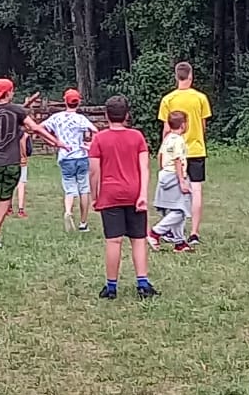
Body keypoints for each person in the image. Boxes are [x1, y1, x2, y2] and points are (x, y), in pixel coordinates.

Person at [0, 78, 62, 248]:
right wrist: (56, 142)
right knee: (5, 197)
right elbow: (36, 128)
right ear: (8, 93)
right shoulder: (18, 111)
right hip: (12, 163)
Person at [88, 95, 158, 299]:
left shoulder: (99, 139)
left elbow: (94, 171)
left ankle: (111, 287)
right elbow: (144, 168)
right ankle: (143, 284)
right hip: (134, 193)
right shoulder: (137, 137)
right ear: (127, 114)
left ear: (106, 115)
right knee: (138, 239)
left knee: (114, 241)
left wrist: (95, 196)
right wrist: (143, 194)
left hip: (110, 194)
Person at [158, 63, 212, 244]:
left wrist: (163, 150)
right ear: (191, 76)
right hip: (196, 150)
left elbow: (166, 129)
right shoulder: (200, 98)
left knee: (173, 189)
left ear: (176, 76)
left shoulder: (168, 99)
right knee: (196, 190)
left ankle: (170, 230)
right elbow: (203, 127)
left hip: (174, 152)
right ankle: (194, 232)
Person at [45, 88, 98, 231]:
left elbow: (40, 128)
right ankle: (83, 223)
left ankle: (68, 211)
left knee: (69, 188)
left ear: (65, 101)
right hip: (81, 156)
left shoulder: (57, 117)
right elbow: (95, 131)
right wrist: (90, 145)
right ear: (78, 102)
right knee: (84, 188)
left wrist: (53, 142)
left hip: (65, 157)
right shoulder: (81, 119)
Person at [149, 110, 192, 250]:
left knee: (175, 209)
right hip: (175, 176)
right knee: (181, 210)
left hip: (165, 174)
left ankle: (180, 243)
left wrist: (163, 171)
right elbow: (177, 160)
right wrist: (182, 181)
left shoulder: (167, 138)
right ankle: (155, 232)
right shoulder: (179, 140)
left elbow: (160, 156)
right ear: (183, 125)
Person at [15, 125, 32, 218]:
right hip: (22, 162)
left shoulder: (9, 135)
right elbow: (29, 151)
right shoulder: (25, 136)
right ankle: (20, 209)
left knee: (9, 185)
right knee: (21, 185)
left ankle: (8, 208)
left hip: (9, 162)